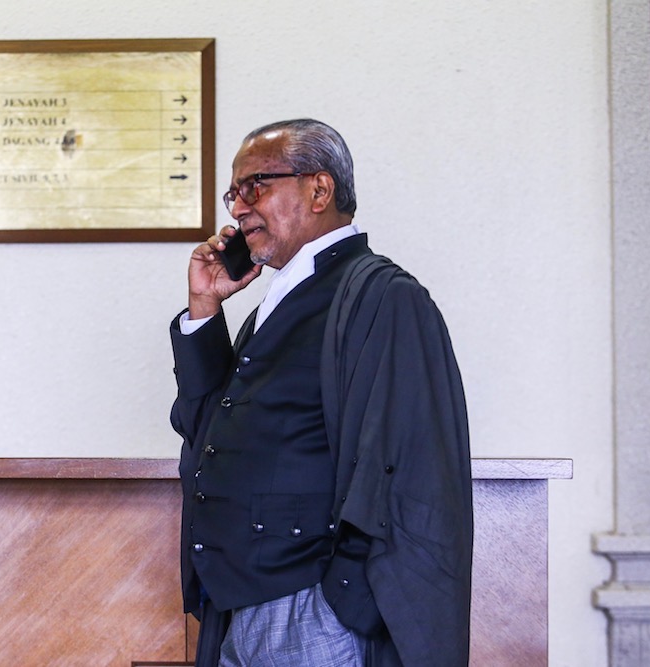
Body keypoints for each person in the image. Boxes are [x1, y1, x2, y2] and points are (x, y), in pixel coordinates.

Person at [169, 119, 473, 666]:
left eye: (254, 186)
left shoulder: (384, 296)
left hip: (314, 614)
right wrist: (205, 310)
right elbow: (206, 431)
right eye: (233, 193)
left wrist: (341, 606)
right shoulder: (277, 303)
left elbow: (409, 470)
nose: (237, 208)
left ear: (319, 189)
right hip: (239, 608)